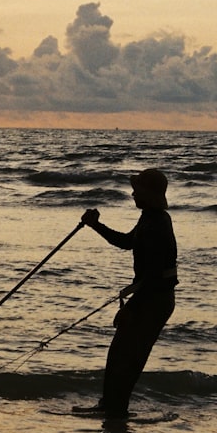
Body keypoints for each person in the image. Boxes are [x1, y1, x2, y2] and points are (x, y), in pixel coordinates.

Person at [76, 168, 178, 419]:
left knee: (127, 358)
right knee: (120, 354)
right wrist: (95, 226)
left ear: (149, 193)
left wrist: (129, 310)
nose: (133, 193)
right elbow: (125, 242)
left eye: (138, 189)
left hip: (154, 300)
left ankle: (115, 410)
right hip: (151, 297)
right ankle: (111, 407)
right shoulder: (150, 217)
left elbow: (153, 279)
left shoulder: (156, 225)